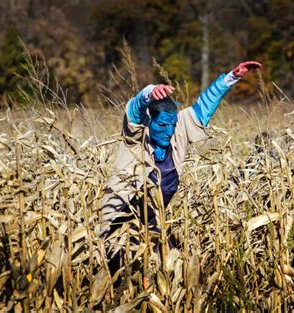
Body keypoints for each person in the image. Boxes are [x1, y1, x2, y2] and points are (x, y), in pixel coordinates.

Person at [100, 61, 261, 261]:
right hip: (117, 224)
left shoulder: (177, 130)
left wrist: (232, 77)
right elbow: (135, 109)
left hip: (149, 225)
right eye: (163, 125)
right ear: (150, 121)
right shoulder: (137, 135)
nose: (169, 131)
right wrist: (149, 93)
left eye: (172, 125)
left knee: (175, 265)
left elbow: (203, 107)